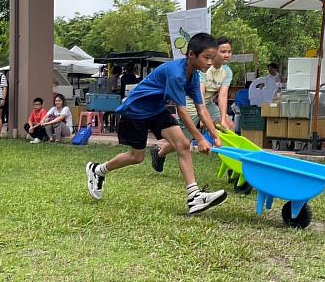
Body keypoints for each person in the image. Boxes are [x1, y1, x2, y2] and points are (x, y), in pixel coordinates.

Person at [85, 33, 227, 215]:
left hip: (156, 110)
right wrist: (200, 139)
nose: (209, 62)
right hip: (135, 111)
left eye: (212, 58)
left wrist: (215, 137)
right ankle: (98, 170)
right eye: (206, 58)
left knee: (182, 144)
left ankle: (194, 197)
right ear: (191, 54)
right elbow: (182, 111)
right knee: (136, 157)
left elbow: (202, 110)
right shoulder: (176, 74)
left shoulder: (194, 77)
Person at [150, 37, 234, 171]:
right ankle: (159, 153)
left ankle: (232, 167)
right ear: (214, 52)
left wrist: (223, 119)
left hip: (208, 104)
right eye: (223, 51)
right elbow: (198, 96)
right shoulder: (202, 67)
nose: (227, 55)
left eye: (229, 52)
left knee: (229, 125)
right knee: (184, 140)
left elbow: (223, 95)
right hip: (191, 103)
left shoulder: (227, 71)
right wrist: (204, 119)